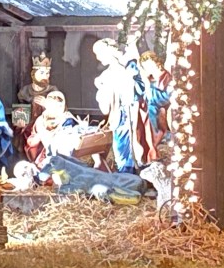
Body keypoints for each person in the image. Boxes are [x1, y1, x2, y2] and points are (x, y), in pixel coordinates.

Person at [92, 38, 157, 174]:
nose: (98, 58)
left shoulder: (129, 67)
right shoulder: (106, 75)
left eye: (99, 53)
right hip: (119, 117)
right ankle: (125, 175)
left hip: (133, 114)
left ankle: (134, 175)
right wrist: (102, 89)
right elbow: (105, 106)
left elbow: (142, 87)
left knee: (136, 146)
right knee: (120, 149)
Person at [24, 90, 79, 168]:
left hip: (64, 156)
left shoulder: (67, 119)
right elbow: (32, 140)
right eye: (52, 105)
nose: (56, 108)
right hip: (45, 156)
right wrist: (37, 137)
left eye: (59, 105)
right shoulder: (41, 120)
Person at [137, 51, 174, 147]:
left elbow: (167, 95)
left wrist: (149, 89)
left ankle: (158, 134)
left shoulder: (164, 75)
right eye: (145, 66)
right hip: (154, 101)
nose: (148, 68)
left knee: (151, 108)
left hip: (164, 101)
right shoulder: (151, 77)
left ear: (156, 62)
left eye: (149, 65)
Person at [16, 51, 57, 123]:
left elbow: (60, 112)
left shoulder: (53, 91)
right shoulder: (24, 92)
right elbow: (20, 115)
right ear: (33, 74)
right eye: (42, 72)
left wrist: (48, 105)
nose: (45, 76)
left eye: (47, 73)